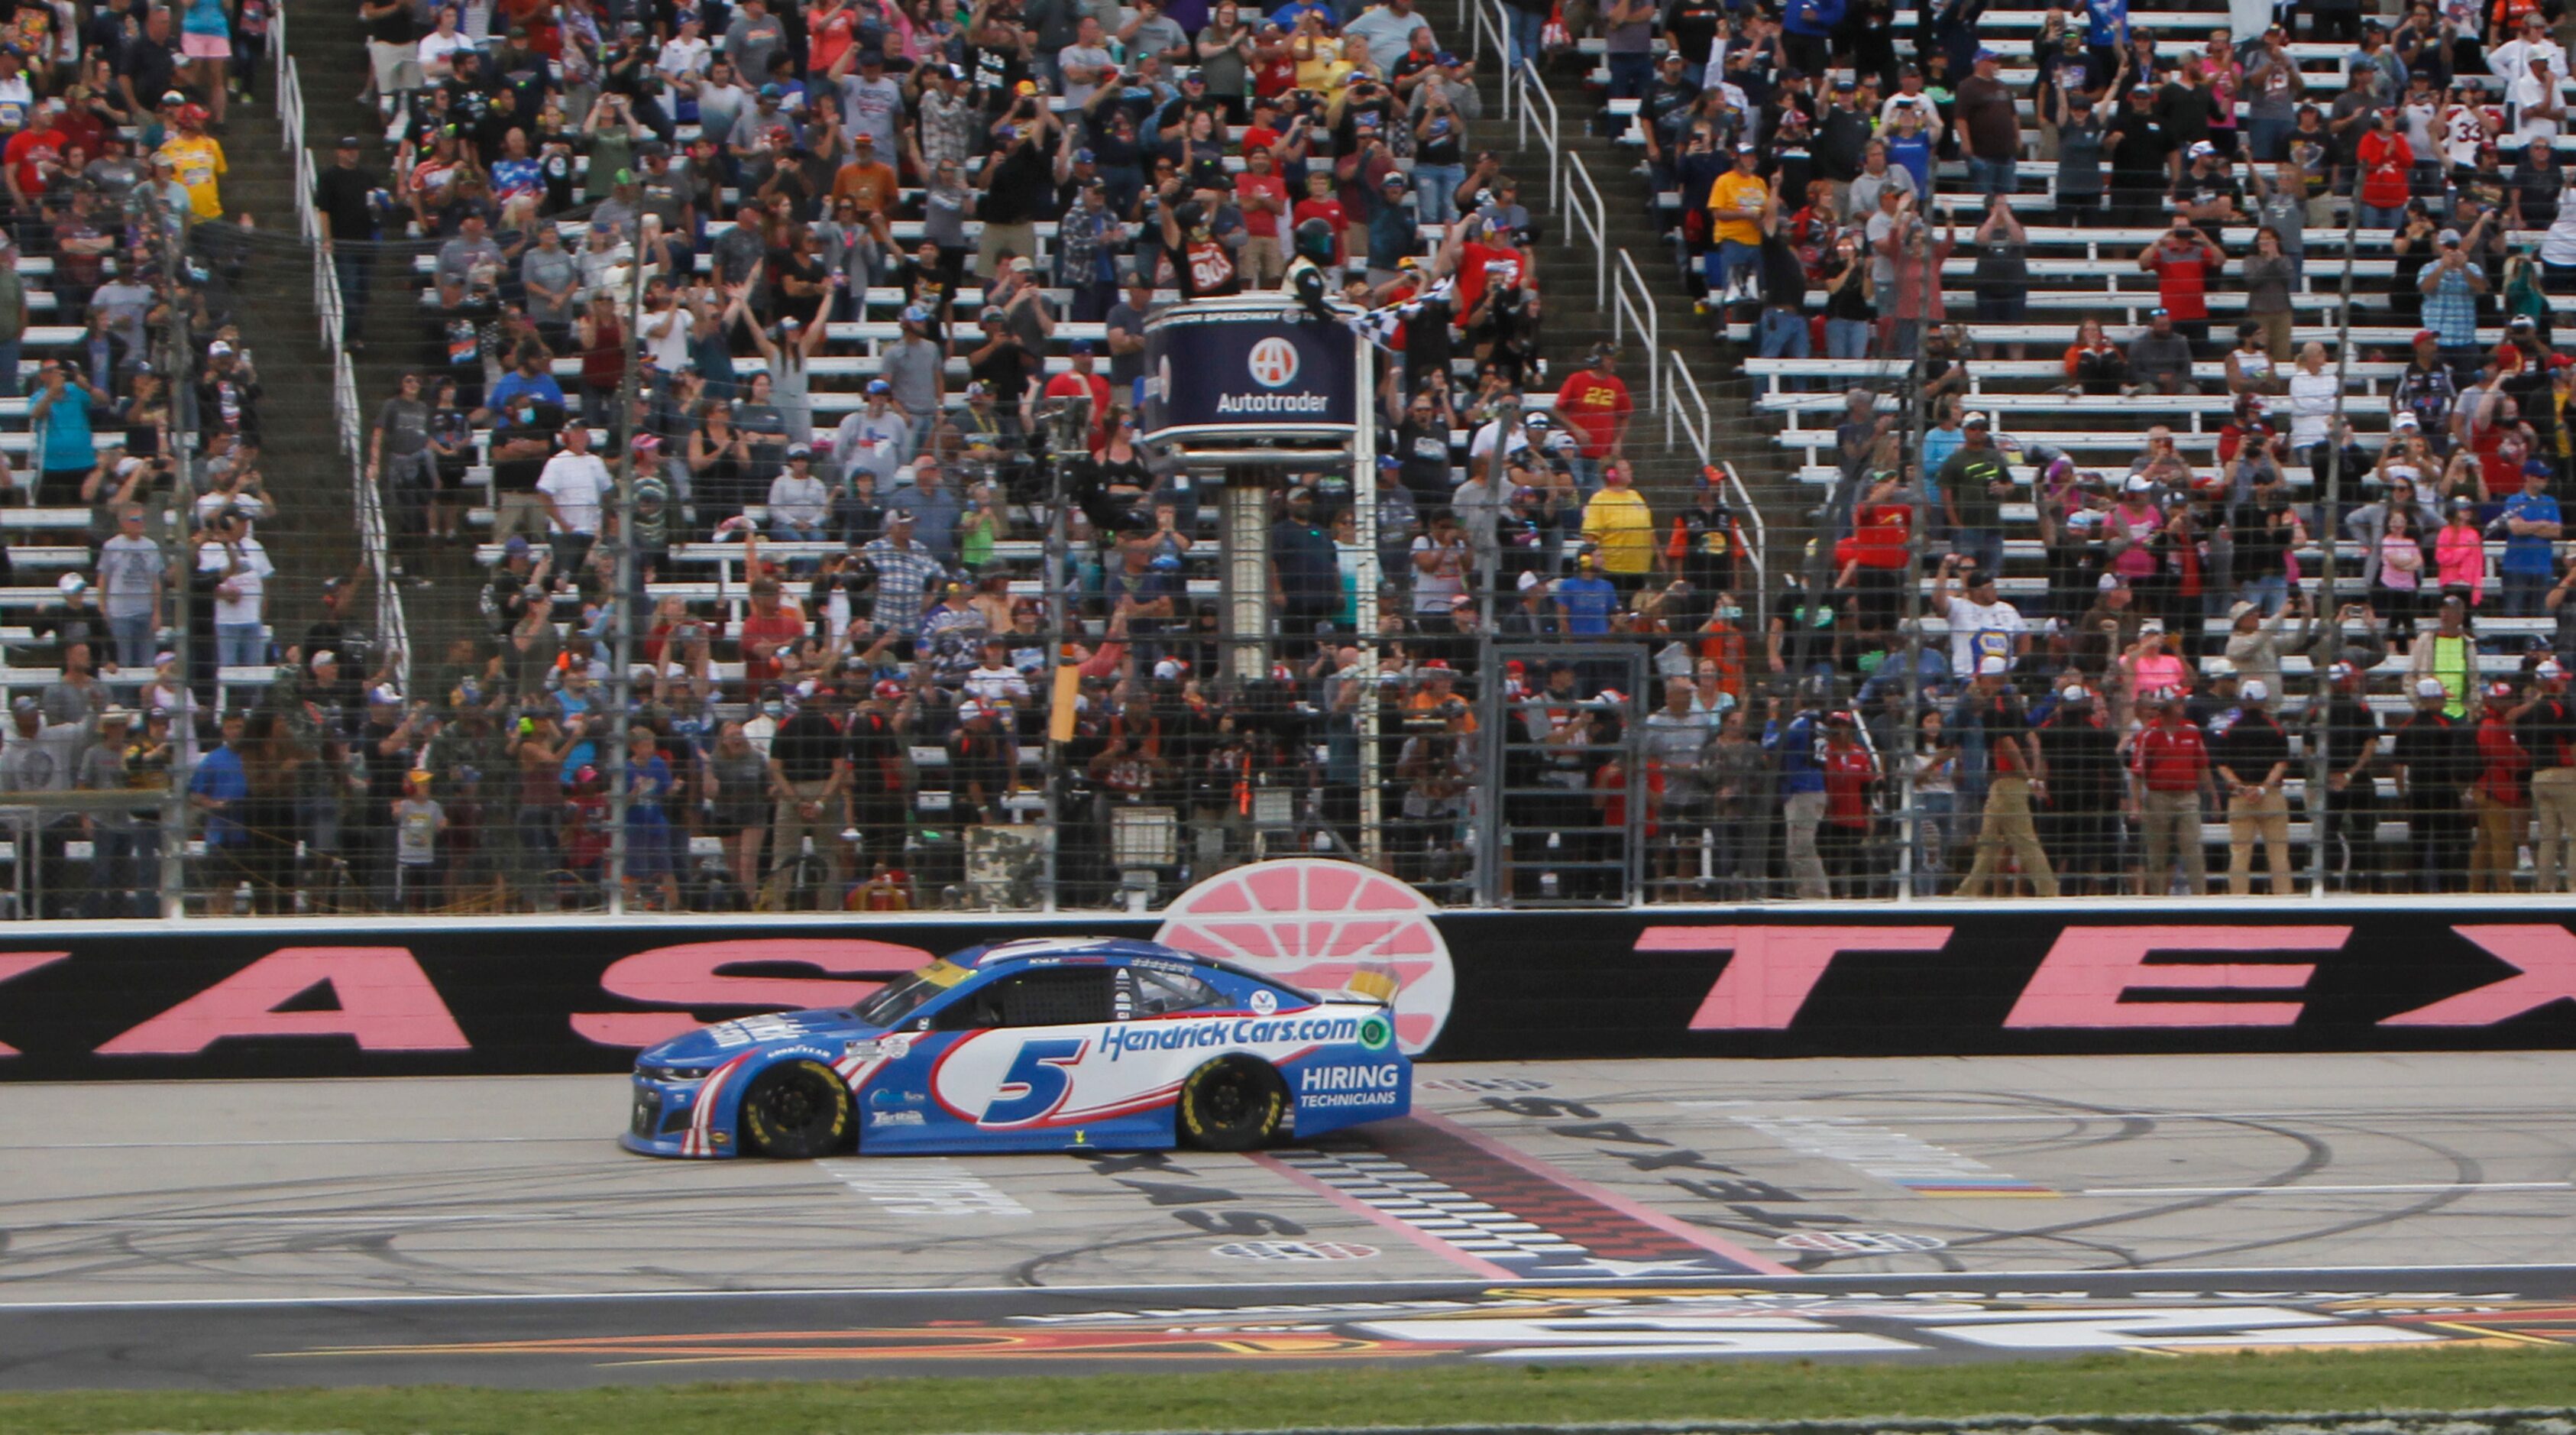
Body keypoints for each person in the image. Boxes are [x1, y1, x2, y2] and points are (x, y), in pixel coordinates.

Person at [1953, 656, 2058, 896]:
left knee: (2024, 841)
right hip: (2006, 783)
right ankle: (1968, 891)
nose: (1978, 684)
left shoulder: (1995, 706)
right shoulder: (2012, 702)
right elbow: (2032, 738)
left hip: (2008, 782)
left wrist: (2028, 776)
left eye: (1981, 679)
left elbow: (2007, 744)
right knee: (1988, 842)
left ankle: (2049, 891)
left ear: (1992, 679)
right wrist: (2035, 774)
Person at [2211, 677, 2295, 894]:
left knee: (2239, 853)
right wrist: (2263, 788)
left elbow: (2222, 765)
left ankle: (2239, 901)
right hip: (2270, 795)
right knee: (2278, 853)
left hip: (2240, 798)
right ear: (2264, 700)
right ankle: (2284, 901)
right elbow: (2281, 763)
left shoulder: (2229, 730)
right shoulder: (2275, 729)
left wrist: (2240, 788)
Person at [2391, 673, 2471, 892]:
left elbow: (2398, 766)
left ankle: (2416, 890)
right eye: (2442, 698)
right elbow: (2458, 761)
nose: (2445, 702)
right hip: (2444, 791)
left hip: (2418, 791)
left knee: (2418, 843)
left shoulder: (2406, 726)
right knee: (2446, 843)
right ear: (2432, 699)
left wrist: (2402, 795)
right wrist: (2462, 791)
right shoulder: (2448, 725)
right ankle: (2446, 890)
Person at [2130, 687, 2212, 896]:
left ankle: (2201, 899)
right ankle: (2158, 899)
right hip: (2159, 797)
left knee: (2193, 850)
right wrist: (2136, 805)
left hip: (2187, 796)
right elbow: (2138, 772)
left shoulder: (2192, 730)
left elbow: (2202, 764)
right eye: (2179, 702)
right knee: (2157, 854)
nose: (2183, 706)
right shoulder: (2148, 733)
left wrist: (2212, 794)